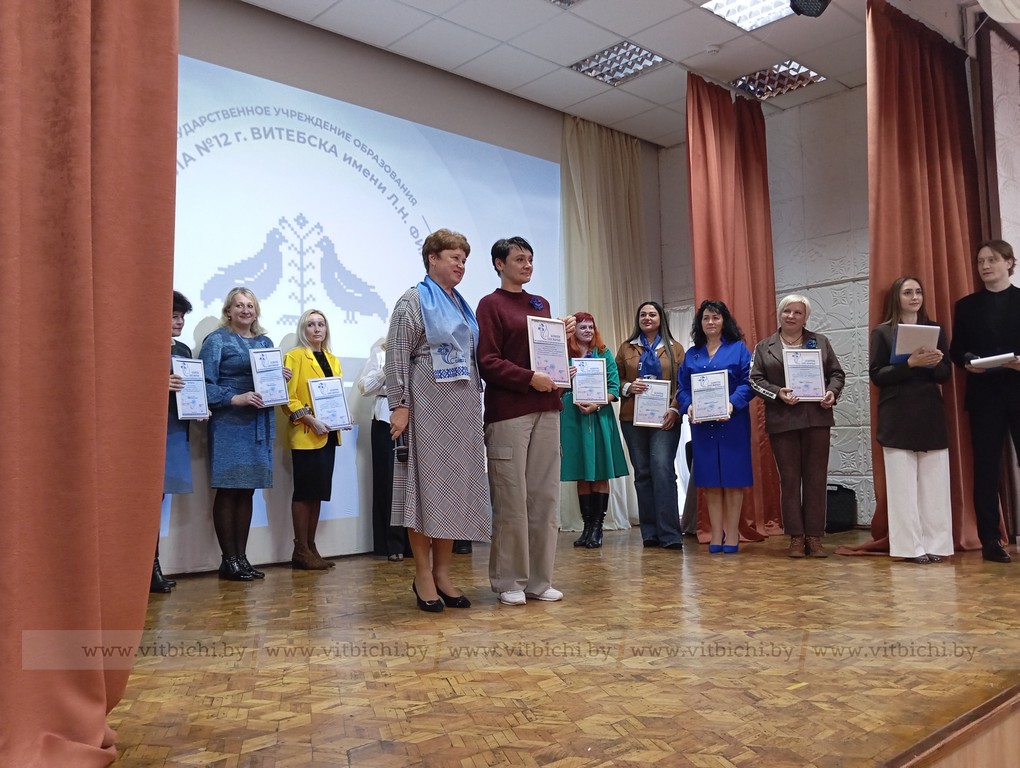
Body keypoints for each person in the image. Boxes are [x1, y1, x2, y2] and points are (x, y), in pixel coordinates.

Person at [386, 228, 490, 612]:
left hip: (462, 409)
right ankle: (423, 574)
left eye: (464, 260)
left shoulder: (462, 305)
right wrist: (400, 404)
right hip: (427, 406)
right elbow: (397, 354)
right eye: (454, 258)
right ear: (433, 258)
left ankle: (443, 572)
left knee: (453, 490)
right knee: (424, 489)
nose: (461, 265)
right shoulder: (413, 301)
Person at [477, 236, 575, 605]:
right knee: (511, 499)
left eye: (530, 259)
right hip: (509, 413)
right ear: (499, 264)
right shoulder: (490, 305)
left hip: (547, 408)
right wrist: (529, 378)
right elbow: (488, 361)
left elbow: (544, 355)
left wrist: (561, 343)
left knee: (545, 497)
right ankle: (509, 581)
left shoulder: (540, 304)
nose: (527, 265)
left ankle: (539, 580)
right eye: (519, 259)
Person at [200, 287, 289, 581]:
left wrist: (280, 377)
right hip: (229, 423)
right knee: (229, 489)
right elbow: (203, 385)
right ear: (228, 311)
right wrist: (234, 398)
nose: (245, 310)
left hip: (258, 423)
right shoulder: (217, 340)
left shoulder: (265, 342)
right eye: (239, 305)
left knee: (247, 490)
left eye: (250, 305)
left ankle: (242, 558)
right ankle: (229, 560)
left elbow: (269, 384)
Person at [750, 294, 844, 558]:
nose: (791, 316)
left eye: (797, 312)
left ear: (806, 317)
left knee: (816, 479)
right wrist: (777, 392)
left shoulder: (820, 342)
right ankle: (796, 537)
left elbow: (837, 374)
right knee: (790, 480)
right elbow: (755, 380)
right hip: (783, 421)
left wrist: (831, 392)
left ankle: (814, 536)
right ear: (780, 314)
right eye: (787, 311)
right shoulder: (764, 346)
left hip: (817, 418)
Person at [869, 277, 953, 564]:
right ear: (897, 297)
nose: (915, 297)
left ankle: (937, 545)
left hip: (930, 411)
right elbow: (877, 375)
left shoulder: (935, 329)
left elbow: (945, 374)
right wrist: (909, 364)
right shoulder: (883, 332)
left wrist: (935, 363)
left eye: (918, 292)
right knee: (902, 488)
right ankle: (910, 548)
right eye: (908, 292)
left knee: (935, 485)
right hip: (897, 413)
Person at [950, 239, 1020, 563]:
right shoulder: (966, 306)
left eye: (991, 259)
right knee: (986, 469)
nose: (985, 266)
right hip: (984, 396)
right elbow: (956, 350)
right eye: (980, 261)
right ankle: (990, 540)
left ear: (1009, 262)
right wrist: (968, 361)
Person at [676, 300, 754, 554]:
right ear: (700, 323)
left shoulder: (738, 349)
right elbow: (682, 388)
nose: (711, 322)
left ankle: (732, 534)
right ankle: (715, 533)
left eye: (716, 317)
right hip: (702, 426)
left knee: (732, 479)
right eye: (706, 318)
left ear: (724, 321)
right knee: (710, 481)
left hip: (733, 422)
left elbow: (749, 383)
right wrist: (688, 405)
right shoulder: (692, 354)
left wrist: (732, 403)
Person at [615, 301, 686, 549]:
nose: (647, 318)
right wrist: (628, 386)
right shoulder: (626, 347)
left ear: (661, 318)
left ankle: (670, 534)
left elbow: (683, 384)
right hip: (632, 418)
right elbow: (615, 378)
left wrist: (675, 409)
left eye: (652, 314)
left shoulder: (675, 348)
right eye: (643, 314)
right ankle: (650, 533)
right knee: (643, 473)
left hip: (665, 418)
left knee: (662, 469)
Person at [559, 311, 629, 549]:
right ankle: (586, 527)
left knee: (599, 471)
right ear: (573, 331)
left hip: (599, 415)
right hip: (572, 417)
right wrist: (565, 378)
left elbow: (614, 388)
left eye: (591, 327)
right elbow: (555, 386)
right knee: (582, 472)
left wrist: (597, 403)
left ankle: (597, 528)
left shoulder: (603, 352)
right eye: (583, 327)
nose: (588, 331)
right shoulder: (564, 354)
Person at [283, 309, 344, 570]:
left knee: (317, 493)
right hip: (307, 434)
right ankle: (300, 549)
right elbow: (288, 399)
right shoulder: (295, 356)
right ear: (303, 329)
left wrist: (344, 413)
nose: (317, 328)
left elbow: (335, 395)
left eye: (321, 324)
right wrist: (310, 420)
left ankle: (311, 546)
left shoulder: (332, 358)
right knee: (305, 492)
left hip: (328, 434)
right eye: (311, 324)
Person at [355, 336, 409, 562]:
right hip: (385, 422)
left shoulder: (420, 353)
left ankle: (412, 544)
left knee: (412, 483)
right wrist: (387, 369)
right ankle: (390, 543)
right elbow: (365, 388)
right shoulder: (379, 352)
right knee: (388, 482)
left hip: (415, 421)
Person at [155, 290, 195, 593]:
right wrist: (156, 383)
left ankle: (153, 565)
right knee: (148, 502)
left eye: (181, 317)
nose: (179, 322)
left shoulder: (183, 349)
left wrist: (200, 407)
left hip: (177, 430)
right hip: (152, 432)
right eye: (173, 316)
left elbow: (192, 388)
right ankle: (147, 567)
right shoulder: (145, 346)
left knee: (160, 500)